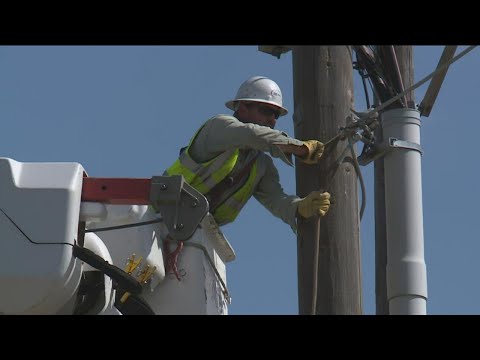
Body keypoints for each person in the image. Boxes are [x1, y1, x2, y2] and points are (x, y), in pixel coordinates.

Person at [165, 76, 331, 233]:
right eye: (266, 110)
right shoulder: (218, 127)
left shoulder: (260, 165)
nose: (272, 119)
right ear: (242, 107)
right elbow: (251, 134)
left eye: (276, 115)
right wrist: (300, 148)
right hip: (158, 216)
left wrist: (300, 208)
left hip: (197, 232)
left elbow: (276, 199)